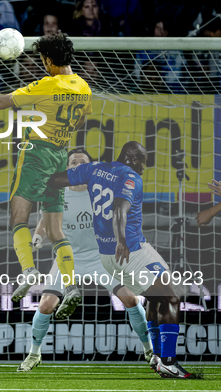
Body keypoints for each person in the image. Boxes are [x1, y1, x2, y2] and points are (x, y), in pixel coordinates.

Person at [0, 31, 92, 319]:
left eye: (43, 59)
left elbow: (5, 101)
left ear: (50, 60)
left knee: (18, 217)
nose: (42, 65)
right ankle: (72, 284)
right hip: (60, 154)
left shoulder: (46, 84)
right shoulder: (83, 87)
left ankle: (28, 271)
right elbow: (83, 119)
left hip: (36, 153)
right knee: (55, 230)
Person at [47, 141, 194, 378]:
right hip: (127, 251)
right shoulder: (130, 178)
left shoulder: (93, 169)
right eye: (144, 161)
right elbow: (119, 210)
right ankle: (168, 361)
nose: (145, 168)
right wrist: (121, 240)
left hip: (126, 249)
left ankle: (157, 356)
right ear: (134, 159)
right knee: (172, 297)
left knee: (156, 295)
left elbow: (54, 181)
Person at [18, 149, 153, 372]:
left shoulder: (100, 191)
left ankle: (149, 350)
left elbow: (121, 214)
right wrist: (38, 236)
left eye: (82, 162)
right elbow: (45, 219)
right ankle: (34, 354)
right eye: (72, 162)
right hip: (68, 259)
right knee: (45, 305)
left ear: (90, 168)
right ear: (67, 167)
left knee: (130, 300)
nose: (76, 165)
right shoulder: (58, 194)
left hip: (100, 258)